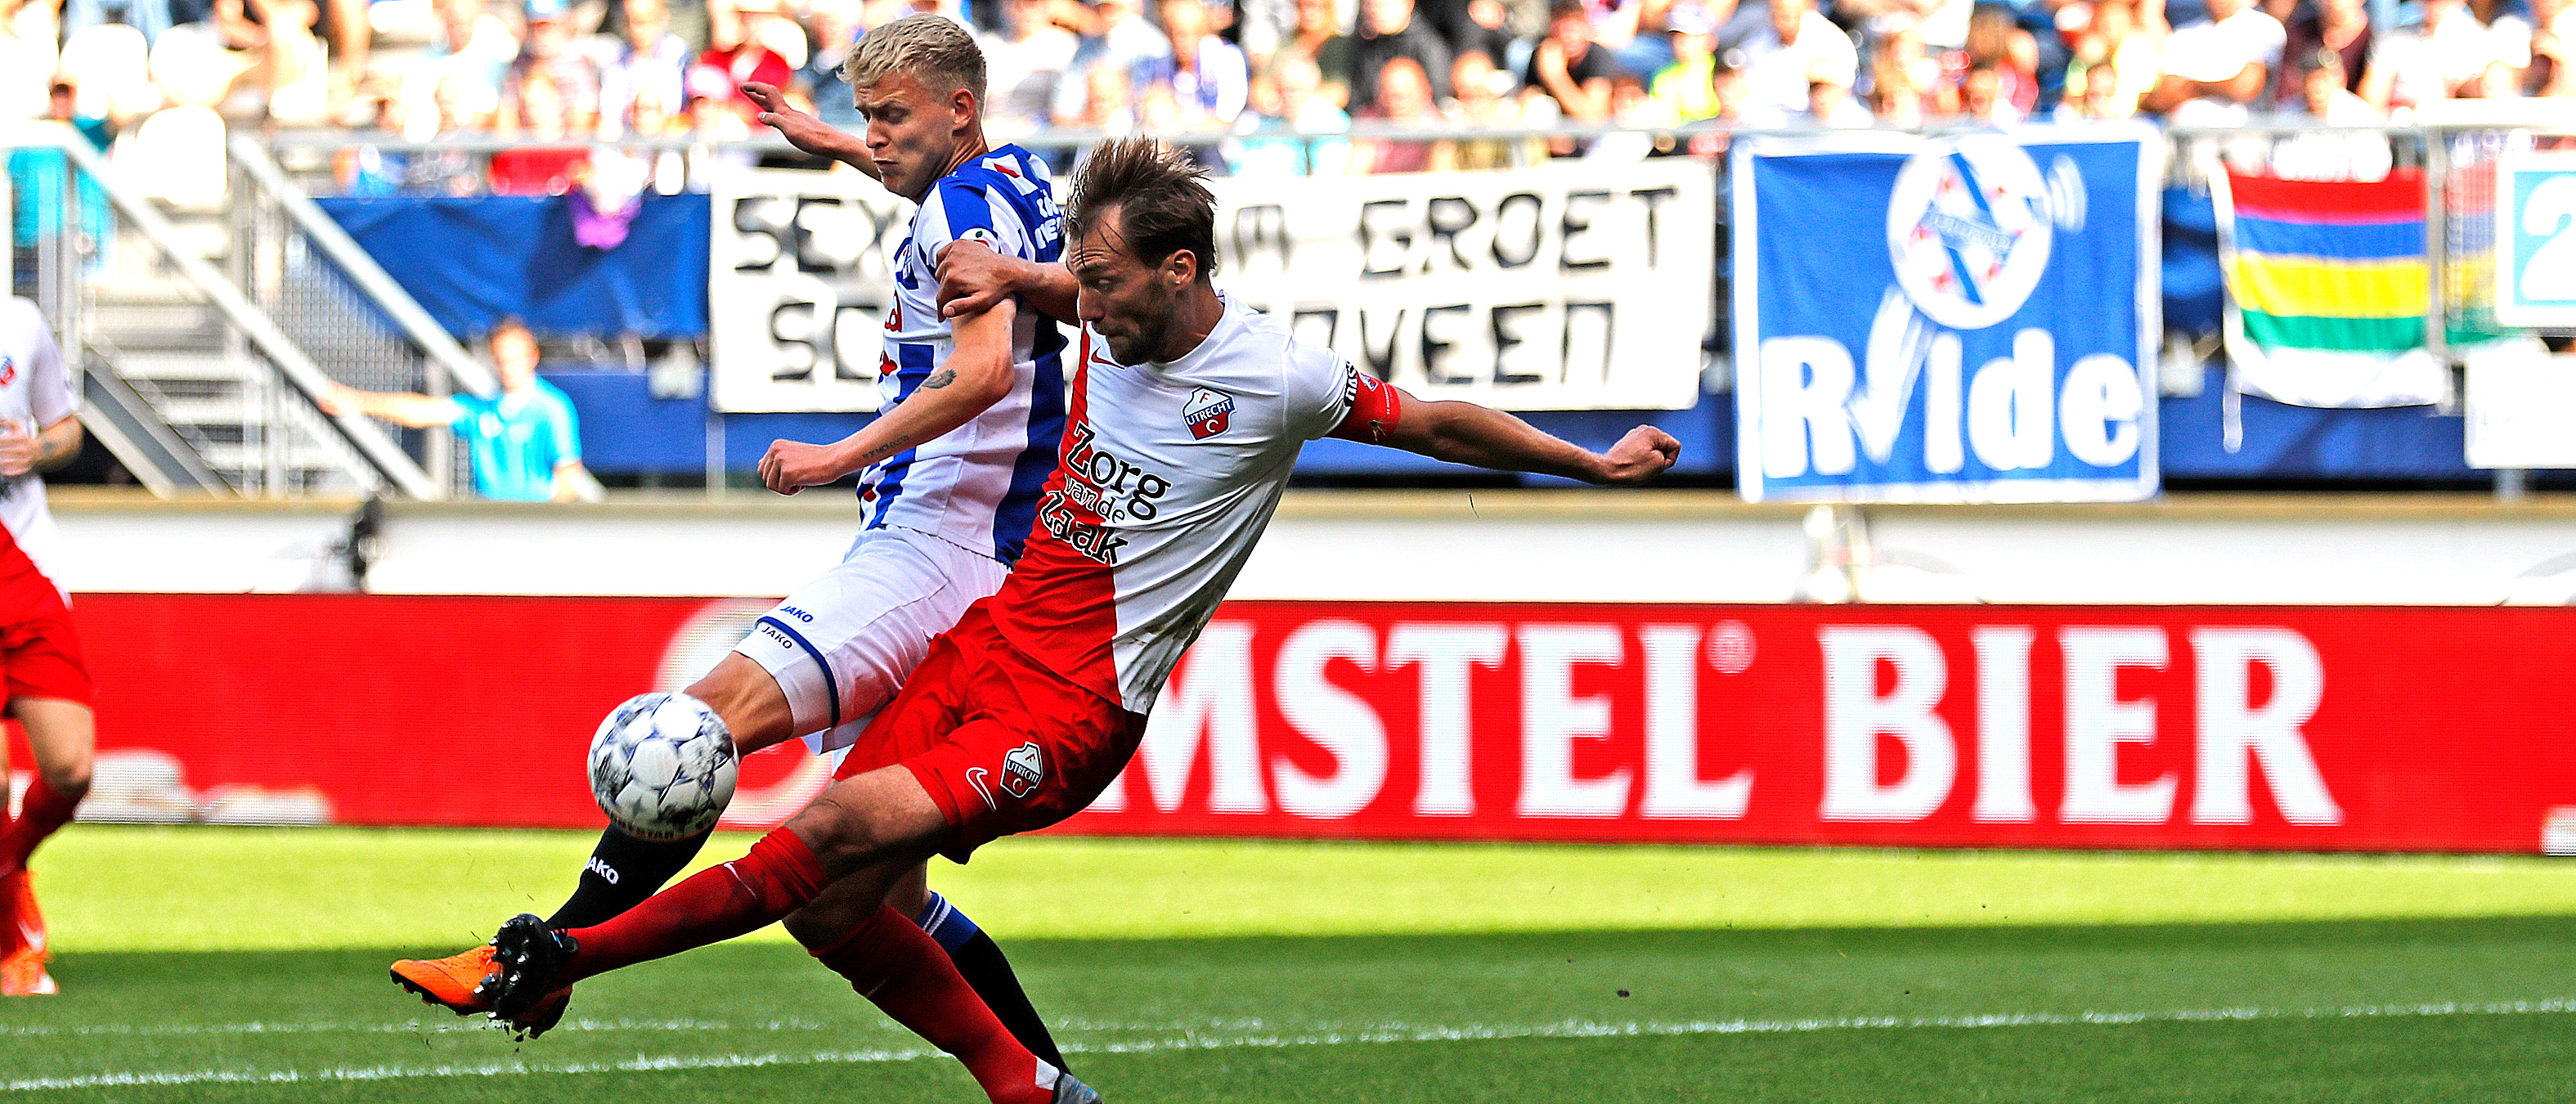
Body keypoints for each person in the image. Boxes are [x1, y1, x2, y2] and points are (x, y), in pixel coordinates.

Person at [473, 136, 1681, 1102]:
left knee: (829, 827)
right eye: (1078, 279)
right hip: (989, 643)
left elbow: (1435, 421)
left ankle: (568, 953)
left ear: (1180, 271)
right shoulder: (1111, 309)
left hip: (1073, 705)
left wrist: (1586, 460)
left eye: (1102, 283)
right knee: (838, 906)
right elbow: (1052, 275)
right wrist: (996, 265)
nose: (1083, 306)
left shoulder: (1274, 376)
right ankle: (1032, 1085)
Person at [384, 16, 1075, 1077]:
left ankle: (545, 953)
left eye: (891, 117)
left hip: (936, 543)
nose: (875, 136)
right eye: (865, 117)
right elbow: (949, 202)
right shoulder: (1013, 178)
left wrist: (841, 451)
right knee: (867, 898)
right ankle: (1049, 1087)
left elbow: (982, 371)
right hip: (985, 555)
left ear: (959, 109)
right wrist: (830, 141)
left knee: (692, 728)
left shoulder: (957, 206)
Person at [0, 297, 96, 997]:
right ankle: (15, 949)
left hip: (27, 573)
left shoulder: (20, 321)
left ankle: (7, 863)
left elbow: (67, 429)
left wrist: (38, 448)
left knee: (70, 768)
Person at [321, 319, 595, 502]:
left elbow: (569, 482)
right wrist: (357, 401)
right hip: (490, 525)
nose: (508, 367)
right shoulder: (483, 411)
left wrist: (533, 518)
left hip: (533, 528)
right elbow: (421, 410)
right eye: (501, 360)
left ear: (533, 357)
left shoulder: (552, 409)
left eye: (514, 358)